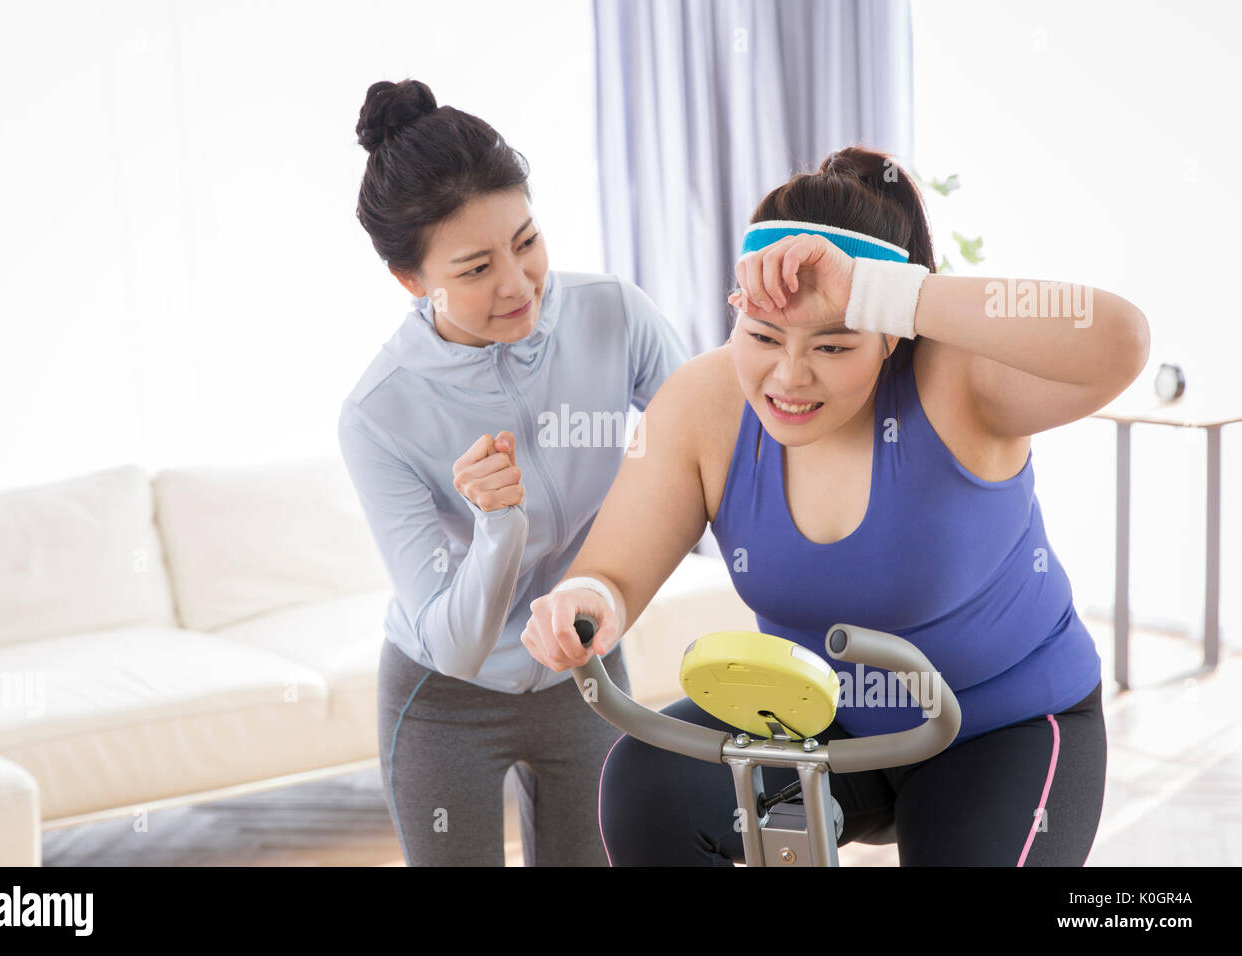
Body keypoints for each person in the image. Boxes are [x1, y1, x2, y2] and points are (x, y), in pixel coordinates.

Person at [521, 146, 1149, 866]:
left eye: (833, 343)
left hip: (1003, 729)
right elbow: (613, 576)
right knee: (646, 785)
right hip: (826, 725)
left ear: (890, 335)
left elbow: (1120, 342)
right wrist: (584, 599)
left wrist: (887, 292)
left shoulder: (955, 382)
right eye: (761, 336)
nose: (788, 377)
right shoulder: (705, 403)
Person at [336, 79, 689, 867]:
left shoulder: (612, 314)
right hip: (444, 700)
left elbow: (716, 439)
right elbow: (453, 644)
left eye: (526, 242)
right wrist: (499, 528)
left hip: (585, 666)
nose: (519, 284)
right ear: (411, 282)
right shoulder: (378, 414)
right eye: (474, 268)